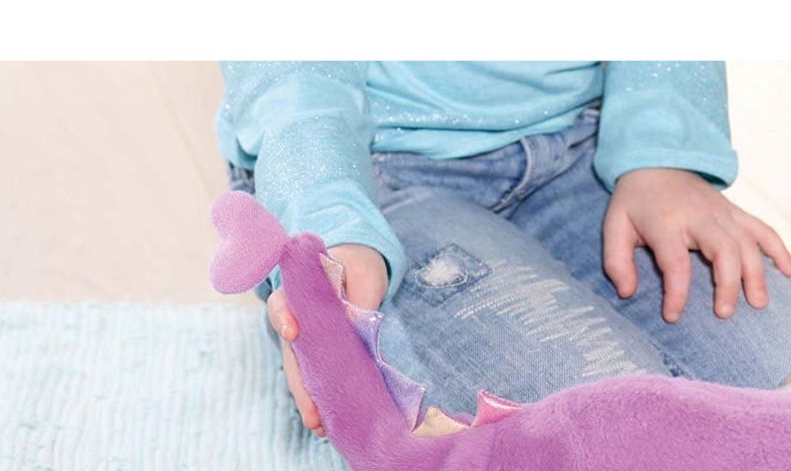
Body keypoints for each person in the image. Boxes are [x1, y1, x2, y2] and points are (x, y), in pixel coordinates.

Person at [216, 61, 791, 436]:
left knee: (773, 380)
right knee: (606, 432)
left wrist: (662, 151)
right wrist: (328, 226)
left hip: (583, 140)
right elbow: (294, 74)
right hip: (369, 171)